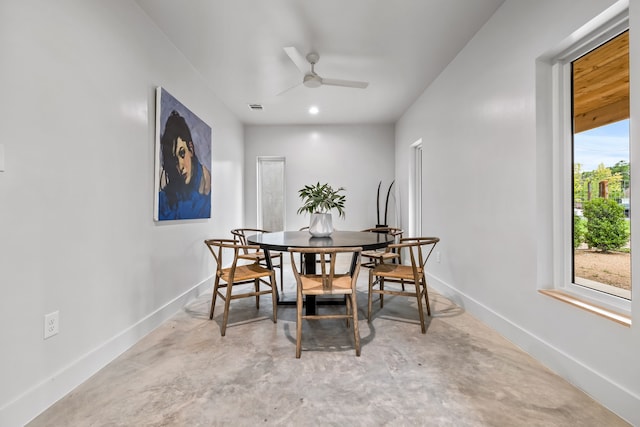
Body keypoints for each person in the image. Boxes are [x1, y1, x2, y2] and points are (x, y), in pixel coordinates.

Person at [157, 110, 211, 220]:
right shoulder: (163, 201)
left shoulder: (206, 190)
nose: (180, 166)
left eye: (182, 153)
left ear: (191, 149)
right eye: (174, 160)